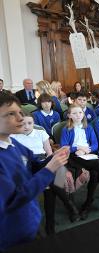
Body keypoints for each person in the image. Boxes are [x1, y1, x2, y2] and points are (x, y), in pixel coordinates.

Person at [0, 93, 69, 251]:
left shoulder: (13, 142)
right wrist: (49, 169)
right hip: (12, 233)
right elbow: (12, 200)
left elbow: (35, 164)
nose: (20, 118)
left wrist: (53, 159)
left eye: (20, 112)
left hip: (30, 219)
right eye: (11, 114)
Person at [11, 112, 79, 234]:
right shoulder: (14, 136)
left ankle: (50, 225)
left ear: (34, 123)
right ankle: (68, 205)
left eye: (30, 123)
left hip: (44, 161)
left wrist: (52, 162)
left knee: (51, 182)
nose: (26, 126)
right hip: (27, 165)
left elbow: (49, 153)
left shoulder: (41, 132)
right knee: (52, 181)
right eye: (23, 123)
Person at [60, 104, 99, 220]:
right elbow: (64, 147)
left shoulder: (88, 127)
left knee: (95, 172)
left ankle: (88, 203)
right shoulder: (66, 129)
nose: (78, 115)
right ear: (69, 116)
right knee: (98, 165)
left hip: (88, 154)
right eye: (75, 113)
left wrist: (88, 150)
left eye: (80, 113)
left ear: (83, 114)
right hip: (74, 156)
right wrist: (78, 149)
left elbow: (95, 144)